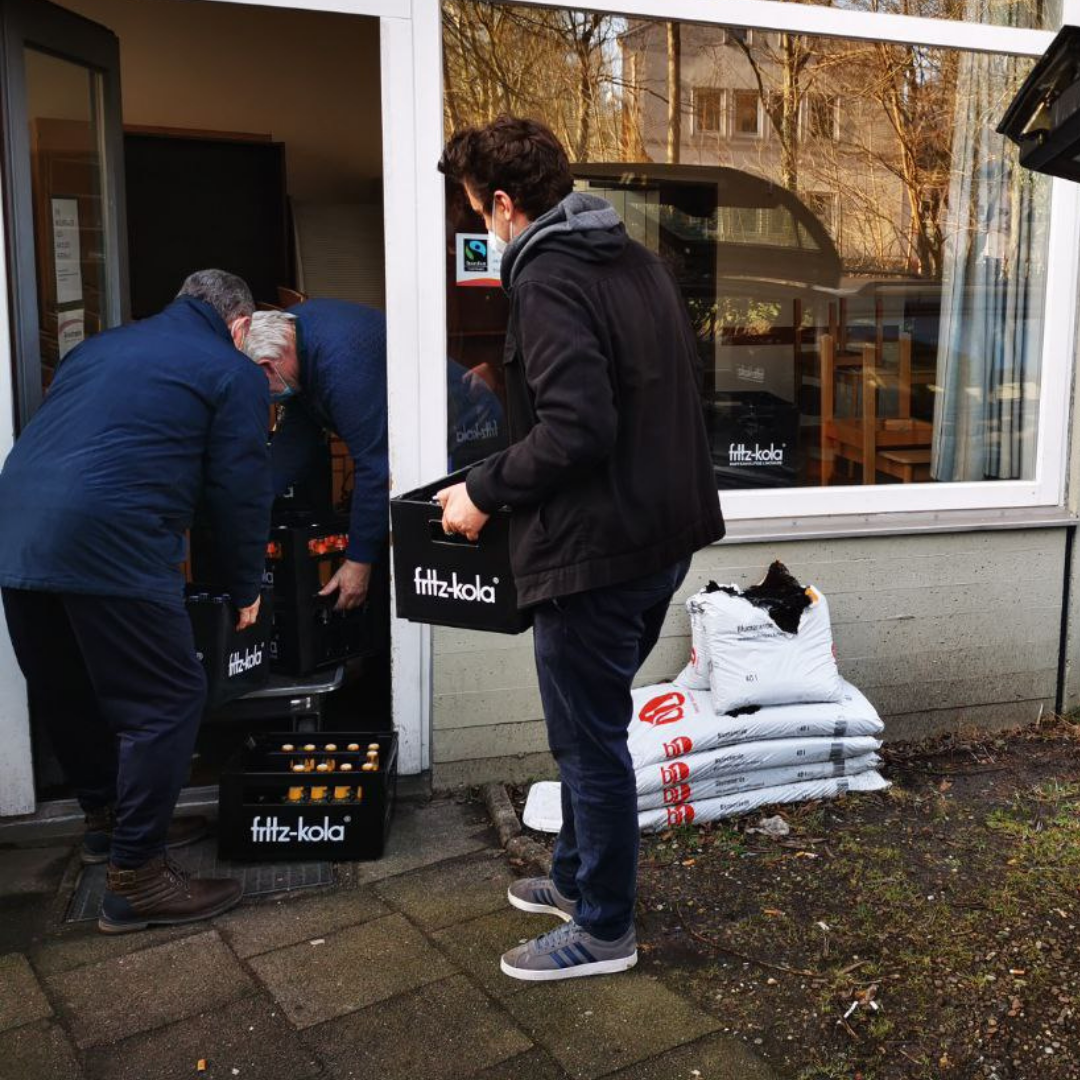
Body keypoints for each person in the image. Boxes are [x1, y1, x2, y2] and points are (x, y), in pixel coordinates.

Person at [437, 117, 725, 981]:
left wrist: (481, 493)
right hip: (658, 536)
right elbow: (632, 396)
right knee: (597, 723)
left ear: (501, 203)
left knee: (588, 743)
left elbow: (578, 428)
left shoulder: (549, 277)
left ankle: (602, 928)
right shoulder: (633, 260)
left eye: (474, 213)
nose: (479, 233)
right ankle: (574, 878)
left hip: (597, 553)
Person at [0, 269, 272, 934]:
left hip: (16, 536)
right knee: (168, 697)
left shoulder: (95, 349)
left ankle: (108, 826)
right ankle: (139, 878)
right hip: (109, 542)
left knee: (73, 689)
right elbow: (238, 492)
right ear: (239, 326)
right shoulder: (230, 371)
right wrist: (245, 588)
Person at [241, 301, 388, 610]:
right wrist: (248, 502)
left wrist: (359, 561)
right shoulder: (296, 336)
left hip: (454, 435)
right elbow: (295, 440)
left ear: (268, 365)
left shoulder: (340, 365)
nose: (263, 400)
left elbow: (375, 466)